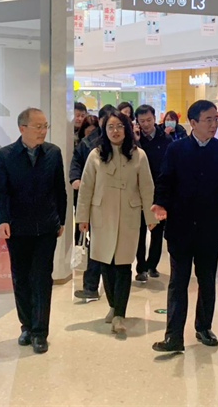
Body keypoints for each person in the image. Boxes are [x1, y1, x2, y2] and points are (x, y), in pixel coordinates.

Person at [151, 100, 218, 353]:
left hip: (210, 227)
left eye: (216, 119)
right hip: (181, 227)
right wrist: (160, 203)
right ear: (193, 123)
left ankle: (204, 327)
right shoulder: (176, 150)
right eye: (208, 119)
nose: (214, 124)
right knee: (178, 282)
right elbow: (165, 180)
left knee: (207, 280)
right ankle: (173, 336)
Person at [0, 107, 67, 354]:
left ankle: (40, 332)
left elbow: (60, 189)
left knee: (42, 278)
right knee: (21, 278)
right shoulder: (5, 156)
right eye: (38, 126)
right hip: (17, 228)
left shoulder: (53, 153)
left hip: (46, 227)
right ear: (22, 128)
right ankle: (26, 326)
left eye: (45, 126)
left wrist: (62, 219)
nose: (43, 131)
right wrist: (1, 220)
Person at [76, 108, 158, 335]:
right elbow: (86, 188)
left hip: (128, 216)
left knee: (123, 265)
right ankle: (113, 305)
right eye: (110, 127)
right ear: (105, 130)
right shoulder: (95, 155)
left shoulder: (138, 155)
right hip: (101, 215)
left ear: (127, 129)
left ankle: (120, 313)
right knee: (106, 265)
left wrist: (151, 217)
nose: (115, 131)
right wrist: (82, 217)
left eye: (119, 126)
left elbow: (147, 188)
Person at [134, 104, 173, 283]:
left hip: (159, 190)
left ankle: (152, 265)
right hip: (138, 191)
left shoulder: (165, 139)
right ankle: (140, 267)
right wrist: (136, 140)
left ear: (155, 119)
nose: (146, 124)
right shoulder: (134, 139)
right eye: (142, 121)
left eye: (149, 120)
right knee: (139, 230)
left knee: (157, 229)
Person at [69, 113, 103, 302]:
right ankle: (91, 286)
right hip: (88, 199)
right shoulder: (85, 145)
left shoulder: (125, 146)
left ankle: (100, 288)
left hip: (111, 205)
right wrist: (76, 180)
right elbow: (75, 166)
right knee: (93, 243)